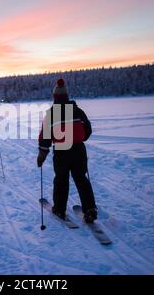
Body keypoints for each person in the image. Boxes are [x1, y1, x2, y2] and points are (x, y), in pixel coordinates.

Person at [37, 78, 98, 223]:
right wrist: (79, 138)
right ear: (66, 96)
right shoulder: (77, 111)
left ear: (55, 97)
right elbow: (88, 130)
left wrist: (42, 155)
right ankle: (90, 209)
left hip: (61, 151)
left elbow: (45, 137)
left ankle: (59, 208)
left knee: (61, 180)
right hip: (78, 150)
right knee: (81, 179)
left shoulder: (52, 114)